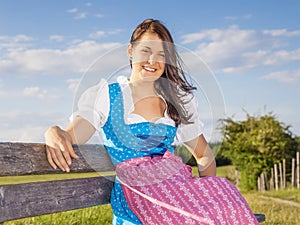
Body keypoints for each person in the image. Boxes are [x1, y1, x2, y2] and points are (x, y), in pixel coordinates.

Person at [45, 19, 259, 225]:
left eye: (161, 54)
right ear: (131, 51)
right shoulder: (108, 96)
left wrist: (205, 196)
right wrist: (54, 131)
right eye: (146, 51)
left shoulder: (176, 102)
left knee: (227, 197)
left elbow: (203, 155)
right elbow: (75, 134)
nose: (152, 61)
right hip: (138, 193)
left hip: (175, 188)